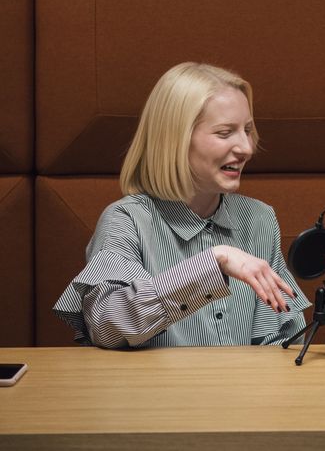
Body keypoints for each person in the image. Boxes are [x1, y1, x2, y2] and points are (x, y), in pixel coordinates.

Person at [54, 62, 310, 348]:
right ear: (175, 140)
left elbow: (282, 340)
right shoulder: (126, 219)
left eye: (247, 130)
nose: (247, 148)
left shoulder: (259, 219)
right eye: (225, 133)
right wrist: (213, 263)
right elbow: (109, 327)